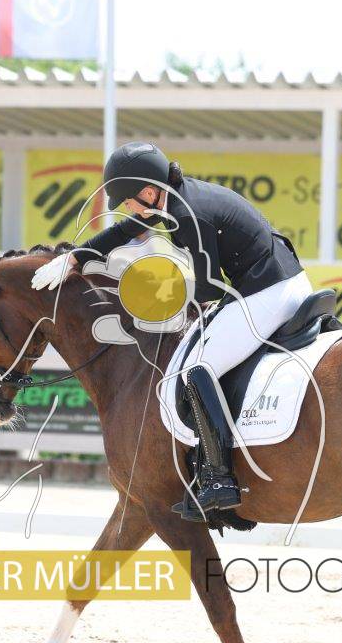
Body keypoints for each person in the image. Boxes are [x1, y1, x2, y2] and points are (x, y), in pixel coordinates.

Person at [31, 141, 310, 521]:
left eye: (127, 200)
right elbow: (128, 229)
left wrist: (158, 305)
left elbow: (208, 291)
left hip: (268, 293)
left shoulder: (187, 213)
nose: (127, 208)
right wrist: (75, 257)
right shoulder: (176, 198)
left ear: (147, 192)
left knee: (197, 367)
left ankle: (218, 479)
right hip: (277, 280)